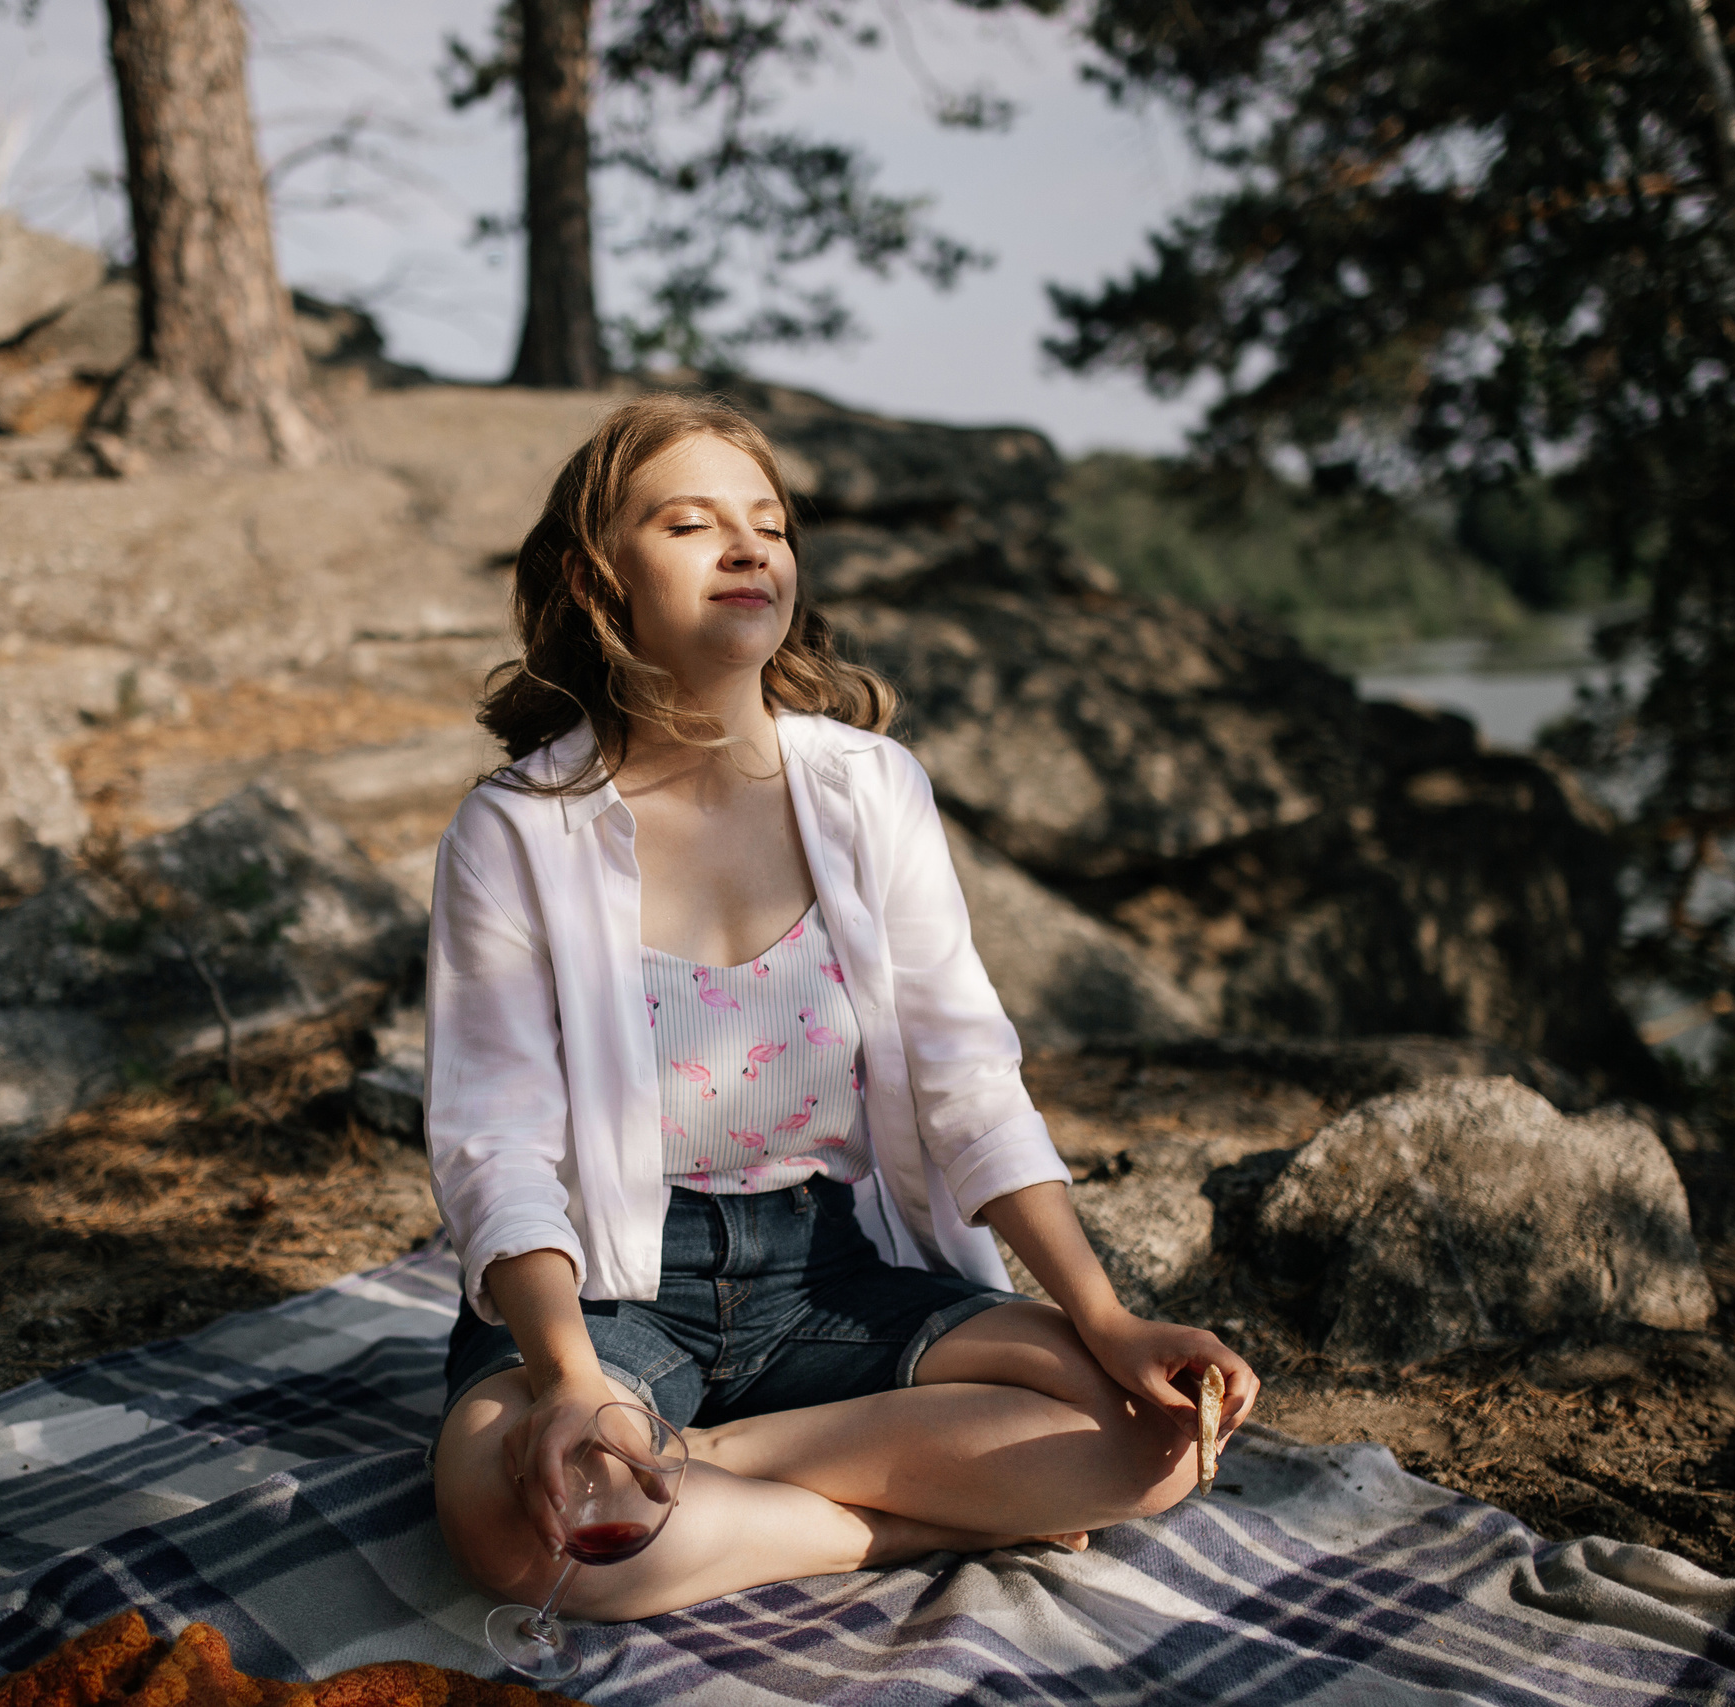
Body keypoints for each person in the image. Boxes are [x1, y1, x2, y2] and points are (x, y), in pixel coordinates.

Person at [422, 393, 1260, 1622]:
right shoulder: (513, 830)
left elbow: (968, 1081)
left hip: (827, 1271)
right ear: (599, 581)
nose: (746, 548)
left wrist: (1106, 1317)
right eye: (691, 524)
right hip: (602, 1292)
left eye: (768, 524)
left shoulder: (871, 790)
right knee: (510, 1529)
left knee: (1160, 1437)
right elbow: (491, 1143)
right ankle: (885, 1518)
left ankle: (701, 1470)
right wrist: (570, 1380)